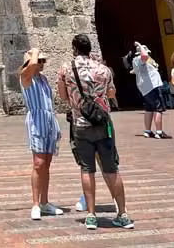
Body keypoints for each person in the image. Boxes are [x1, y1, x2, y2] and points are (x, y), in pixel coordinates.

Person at [58, 34, 134, 230]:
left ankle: (91, 215)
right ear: (90, 48)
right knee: (111, 169)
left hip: (81, 124)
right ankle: (123, 214)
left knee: (87, 169)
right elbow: (111, 94)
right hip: (103, 124)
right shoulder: (104, 69)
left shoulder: (66, 69)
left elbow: (63, 96)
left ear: (74, 48)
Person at [20, 47, 63, 221]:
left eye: (43, 61)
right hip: (36, 121)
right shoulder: (26, 76)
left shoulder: (43, 79)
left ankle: (45, 202)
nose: (42, 64)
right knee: (38, 163)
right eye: (40, 61)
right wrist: (34, 53)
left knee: (47, 163)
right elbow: (31, 67)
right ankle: (35, 203)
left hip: (49, 120)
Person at [130, 41, 171, 139]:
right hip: (152, 87)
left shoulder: (135, 60)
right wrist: (139, 45)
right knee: (158, 109)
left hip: (145, 89)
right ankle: (159, 132)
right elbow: (144, 56)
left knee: (149, 109)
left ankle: (147, 131)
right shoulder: (141, 58)